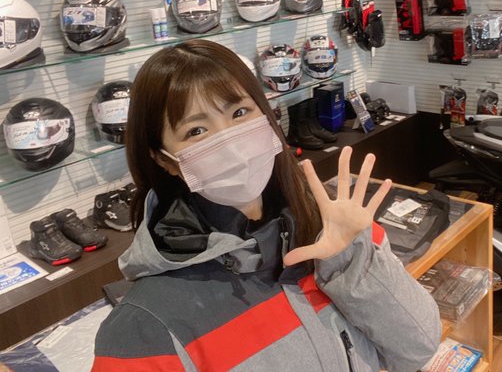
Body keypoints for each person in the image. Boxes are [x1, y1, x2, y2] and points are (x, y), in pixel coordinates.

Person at [92, 38, 441, 371]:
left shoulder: (332, 225)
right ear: (164, 160)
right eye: (196, 131)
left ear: (265, 114)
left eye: (240, 112)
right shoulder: (142, 329)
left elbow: (418, 348)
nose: (230, 143)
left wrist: (349, 260)